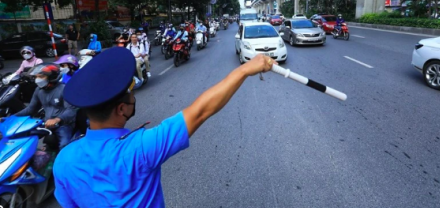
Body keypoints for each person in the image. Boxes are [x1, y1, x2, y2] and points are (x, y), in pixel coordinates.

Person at [53, 47, 274, 207]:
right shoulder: (139, 149)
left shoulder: (64, 158)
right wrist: (244, 70)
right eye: (131, 95)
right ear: (121, 109)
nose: (133, 98)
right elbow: (201, 111)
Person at [15, 63, 77, 150]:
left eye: (41, 77)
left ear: (52, 77)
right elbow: (30, 109)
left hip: (64, 124)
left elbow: (71, 110)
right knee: (21, 136)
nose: (37, 80)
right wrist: (11, 118)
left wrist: (57, 119)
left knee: (64, 146)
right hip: (46, 123)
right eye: (36, 77)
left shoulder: (64, 89)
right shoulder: (39, 90)